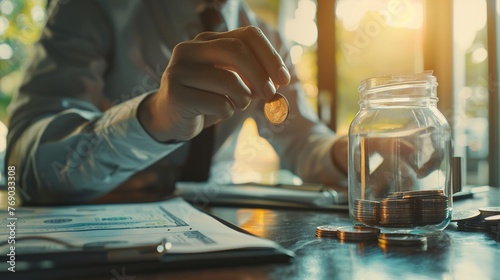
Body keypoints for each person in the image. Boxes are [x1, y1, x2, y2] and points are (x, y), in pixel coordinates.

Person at [6, 0, 348, 205]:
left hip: (223, 235)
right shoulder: (89, 10)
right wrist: (151, 118)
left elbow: (300, 138)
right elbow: (23, 165)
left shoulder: (266, 37)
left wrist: (342, 153)